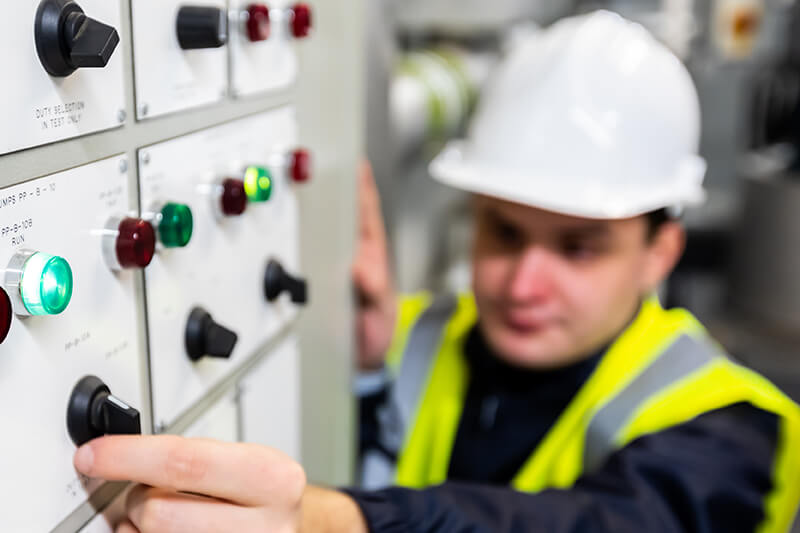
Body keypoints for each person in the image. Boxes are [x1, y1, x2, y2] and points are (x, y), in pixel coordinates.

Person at [72, 10, 800, 533]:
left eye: (578, 247)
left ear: (660, 253)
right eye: (505, 231)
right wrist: (354, 369)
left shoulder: (731, 427)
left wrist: (334, 521)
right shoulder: (409, 331)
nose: (522, 283)